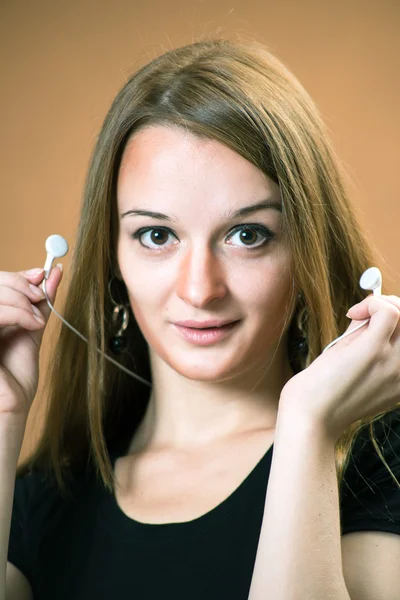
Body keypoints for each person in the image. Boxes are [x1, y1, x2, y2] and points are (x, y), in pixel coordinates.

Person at [2, 38, 400, 600]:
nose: (199, 289)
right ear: (112, 260)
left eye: (247, 235)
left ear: (307, 248)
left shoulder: (381, 461)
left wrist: (307, 425)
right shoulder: (41, 503)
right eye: (157, 235)